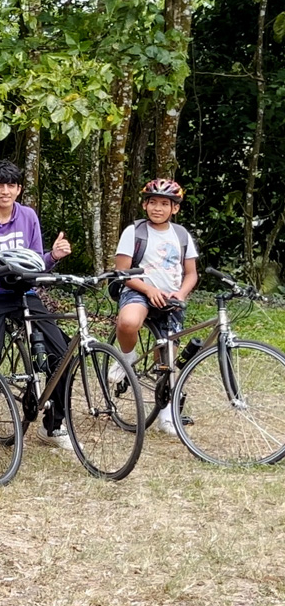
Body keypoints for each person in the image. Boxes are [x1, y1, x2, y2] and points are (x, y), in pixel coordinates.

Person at [0, 158, 73, 452]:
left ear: (19, 189)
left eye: (11, 185)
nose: (5, 191)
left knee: (62, 353)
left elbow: (35, 263)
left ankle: (54, 424)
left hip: (24, 291)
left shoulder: (28, 216)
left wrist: (54, 256)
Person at [111, 179, 198, 435]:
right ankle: (127, 357)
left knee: (168, 359)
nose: (157, 208)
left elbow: (191, 273)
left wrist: (180, 293)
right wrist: (149, 289)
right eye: (152, 203)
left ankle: (167, 412)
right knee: (128, 322)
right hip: (139, 291)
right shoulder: (134, 232)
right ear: (144, 205)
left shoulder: (181, 235)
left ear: (175, 209)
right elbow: (122, 271)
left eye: (164, 204)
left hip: (171, 298)